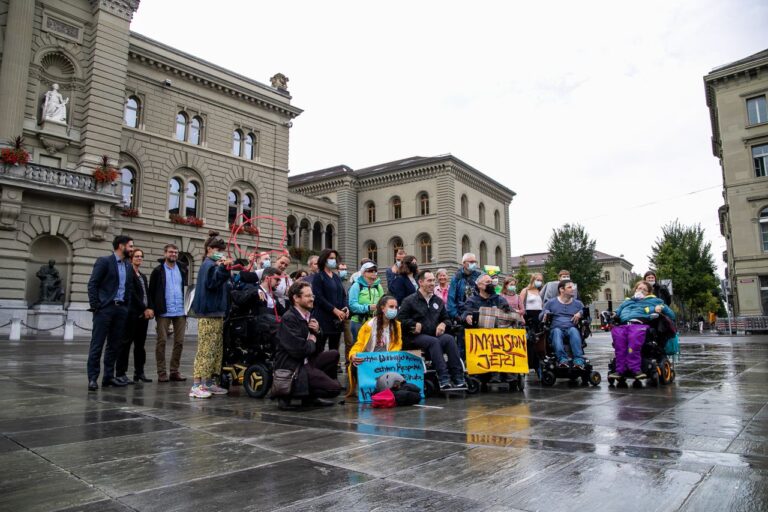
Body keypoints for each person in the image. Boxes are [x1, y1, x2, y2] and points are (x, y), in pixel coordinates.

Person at [274, 281, 342, 410]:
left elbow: (317, 347)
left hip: (307, 361)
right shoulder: (289, 318)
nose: (311, 299)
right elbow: (300, 350)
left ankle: (310, 396)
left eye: (312, 296)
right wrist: (312, 339)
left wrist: (318, 332)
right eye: (307, 296)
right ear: (296, 298)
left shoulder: (308, 316)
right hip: (295, 366)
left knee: (333, 354)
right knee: (335, 389)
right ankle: (294, 393)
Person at [398, 270, 466, 389]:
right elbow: (400, 320)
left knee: (449, 339)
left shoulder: (437, 301)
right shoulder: (409, 301)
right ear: (420, 282)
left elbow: (447, 319)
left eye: (433, 280)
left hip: (434, 335)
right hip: (414, 337)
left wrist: (444, 324)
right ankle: (443, 378)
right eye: (429, 280)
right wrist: (413, 324)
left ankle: (458, 376)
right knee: (433, 341)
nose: (432, 283)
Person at [86, 235, 134, 391]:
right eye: (130, 246)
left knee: (114, 345)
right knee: (97, 345)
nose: (132, 249)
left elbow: (129, 288)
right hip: (105, 309)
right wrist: (96, 305)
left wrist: (126, 306)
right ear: (121, 246)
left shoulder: (127, 266)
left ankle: (108, 377)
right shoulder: (104, 261)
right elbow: (93, 284)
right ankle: (93, 378)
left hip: (121, 309)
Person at [189, 231, 233, 399]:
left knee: (215, 350)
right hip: (208, 313)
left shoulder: (213, 264)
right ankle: (196, 385)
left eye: (221, 249)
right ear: (208, 249)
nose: (219, 252)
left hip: (216, 312)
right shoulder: (209, 264)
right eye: (216, 248)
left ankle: (208, 383)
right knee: (206, 350)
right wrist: (223, 268)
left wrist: (224, 268)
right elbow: (212, 283)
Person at [609, 280, 676, 379]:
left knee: (633, 341)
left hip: (639, 325)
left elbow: (672, 315)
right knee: (619, 344)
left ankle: (635, 369)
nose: (641, 290)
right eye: (639, 288)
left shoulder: (655, 301)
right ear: (635, 289)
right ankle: (620, 370)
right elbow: (617, 313)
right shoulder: (627, 302)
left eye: (644, 290)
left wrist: (661, 308)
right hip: (623, 326)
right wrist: (612, 314)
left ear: (648, 293)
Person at [147, 243, 188, 383]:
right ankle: (161, 372)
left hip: (180, 310)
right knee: (162, 341)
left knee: (180, 342)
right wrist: (151, 307)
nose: (173, 255)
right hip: (163, 310)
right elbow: (151, 291)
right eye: (171, 252)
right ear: (165, 253)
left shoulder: (182, 269)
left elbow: (185, 288)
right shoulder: (158, 271)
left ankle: (174, 371)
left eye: (176, 253)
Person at [347, 295, 403, 395]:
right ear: (382, 308)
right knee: (355, 365)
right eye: (391, 307)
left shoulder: (397, 326)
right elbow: (359, 343)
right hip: (370, 361)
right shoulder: (368, 325)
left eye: (396, 307)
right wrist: (353, 354)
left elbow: (397, 345)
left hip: (387, 361)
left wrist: (389, 357)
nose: (394, 310)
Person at [116, 248, 154, 384]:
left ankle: (139, 372)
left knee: (140, 346)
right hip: (131, 314)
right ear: (131, 258)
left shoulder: (142, 276)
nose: (139, 258)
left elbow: (146, 294)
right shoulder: (128, 274)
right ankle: (121, 373)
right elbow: (132, 294)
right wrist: (144, 308)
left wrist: (150, 308)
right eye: (137, 256)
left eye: (141, 256)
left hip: (143, 316)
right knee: (125, 344)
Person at [540, 280, 586, 369]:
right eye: (569, 287)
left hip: (571, 327)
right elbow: (540, 316)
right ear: (561, 289)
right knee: (557, 331)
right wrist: (545, 313)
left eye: (573, 287)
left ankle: (578, 360)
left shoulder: (578, 303)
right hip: (556, 328)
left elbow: (586, 314)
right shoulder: (551, 302)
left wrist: (580, 313)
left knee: (573, 331)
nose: (573, 289)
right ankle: (562, 359)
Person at [311, 249, 349, 356]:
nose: (333, 260)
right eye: (331, 258)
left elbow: (343, 294)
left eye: (334, 258)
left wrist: (345, 308)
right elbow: (319, 298)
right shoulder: (319, 276)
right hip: (323, 318)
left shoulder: (336, 277)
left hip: (336, 320)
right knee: (320, 348)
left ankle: (333, 370)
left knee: (334, 350)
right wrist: (334, 310)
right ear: (324, 259)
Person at [348, 262, 385, 344]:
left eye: (375, 270)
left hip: (374, 321)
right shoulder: (356, 285)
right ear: (363, 272)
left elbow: (383, 301)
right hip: (359, 322)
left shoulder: (378, 286)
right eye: (370, 270)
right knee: (360, 347)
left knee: (374, 346)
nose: (373, 272)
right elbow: (352, 305)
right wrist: (368, 307)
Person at [446, 253, 481, 321]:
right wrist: (456, 316)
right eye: (471, 262)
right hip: (461, 314)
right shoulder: (456, 278)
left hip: (477, 312)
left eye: (475, 262)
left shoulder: (479, 276)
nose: (474, 264)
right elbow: (451, 298)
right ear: (464, 263)